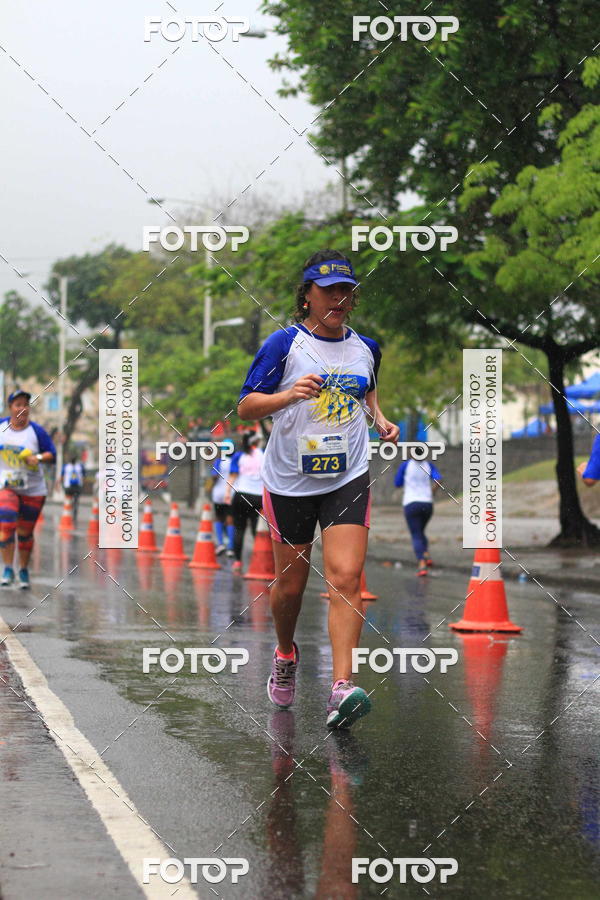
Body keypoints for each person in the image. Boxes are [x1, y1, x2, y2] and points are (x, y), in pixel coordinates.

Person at [238, 249, 399, 728]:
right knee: (290, 586)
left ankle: (342, 686)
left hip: (347, 474)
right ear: (306, 295)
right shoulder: (283, 344)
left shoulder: (366, 347)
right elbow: (247, 407)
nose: (337, 298)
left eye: (345, 291)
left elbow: (366, 391)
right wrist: (289, 394)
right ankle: (285, 653)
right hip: (289, 479)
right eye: (327, 290)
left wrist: (380, 419)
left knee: (347, 577)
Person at [0, 390, 56, 589]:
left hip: (33, 489)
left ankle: (22, 570)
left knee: (25, 532)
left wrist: (37, 458)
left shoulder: (37, 431)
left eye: (25, 405)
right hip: (7, 487)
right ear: (10, 408)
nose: (22, 409)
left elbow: (52, 453)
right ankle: (7, 568)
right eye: (17, 405)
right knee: (6, 525)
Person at [394, 452, 442, 576]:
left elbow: (397, 483)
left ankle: (422, 564)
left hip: (411, 503)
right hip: (427, 504)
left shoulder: (405, 465)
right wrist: (431, 492)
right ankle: (426, 554)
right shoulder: (429, 465)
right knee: (420, 531)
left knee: (416, 534)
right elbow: (439, 479)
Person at [224, 432, 264, 571]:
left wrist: (227, 493)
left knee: (239, 529)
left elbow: (232, 476)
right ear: (257, 441)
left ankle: (238, 562)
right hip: (258, 497)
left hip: (240, 496)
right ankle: (259, 560)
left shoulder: (239, 455)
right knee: (256, 530)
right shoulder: (264, 454)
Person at [211, 442, 235, 556]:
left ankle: (220, 544)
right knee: (230, 518)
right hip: (230, 493)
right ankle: (230, 547)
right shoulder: (235, 461)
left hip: (218, 494)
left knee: (218, 518)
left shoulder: (219, 461)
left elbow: (214, 476)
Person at [62, 454, 85, 522]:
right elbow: (62, 476)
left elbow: (83, 476)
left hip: (77, 486)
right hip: (68, 486)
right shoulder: (66, 466)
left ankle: (74, 513)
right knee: (68, 500)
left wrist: (82, 485)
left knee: (75, 500)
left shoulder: (80, 466)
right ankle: (68, 513)